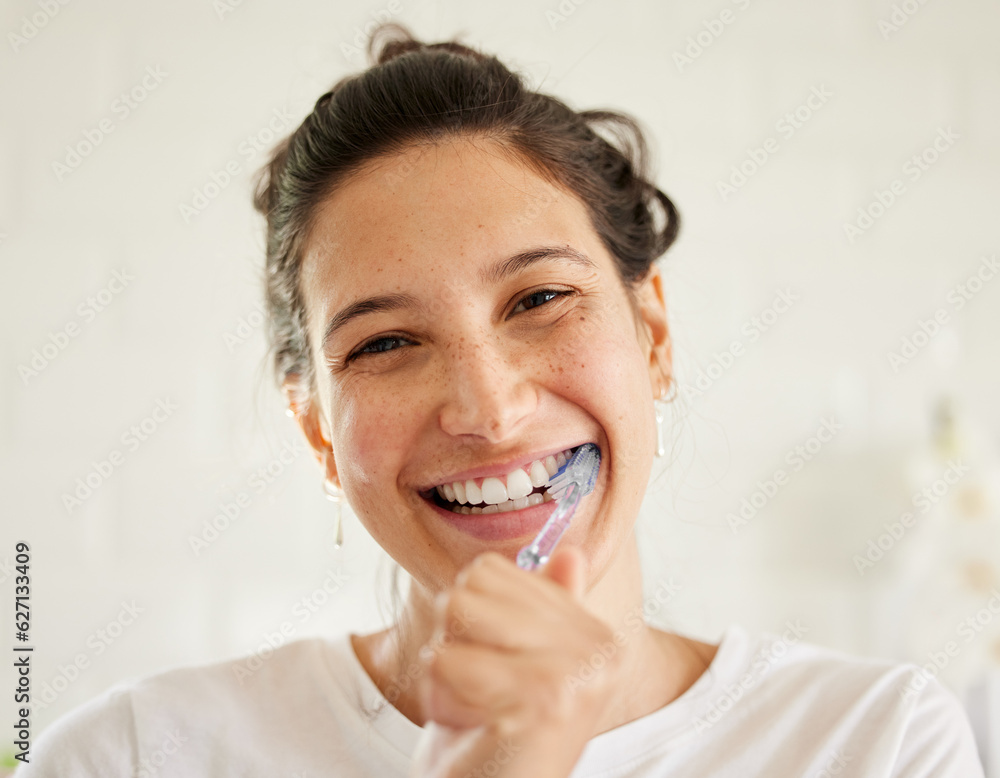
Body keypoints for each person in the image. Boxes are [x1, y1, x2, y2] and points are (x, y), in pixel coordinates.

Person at [19, 22, 984, 778]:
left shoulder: (878, 744)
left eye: (541, 300)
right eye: (386, 342)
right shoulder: (133, 758)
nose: (487, 408)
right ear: (316, 427)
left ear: (653, 336)